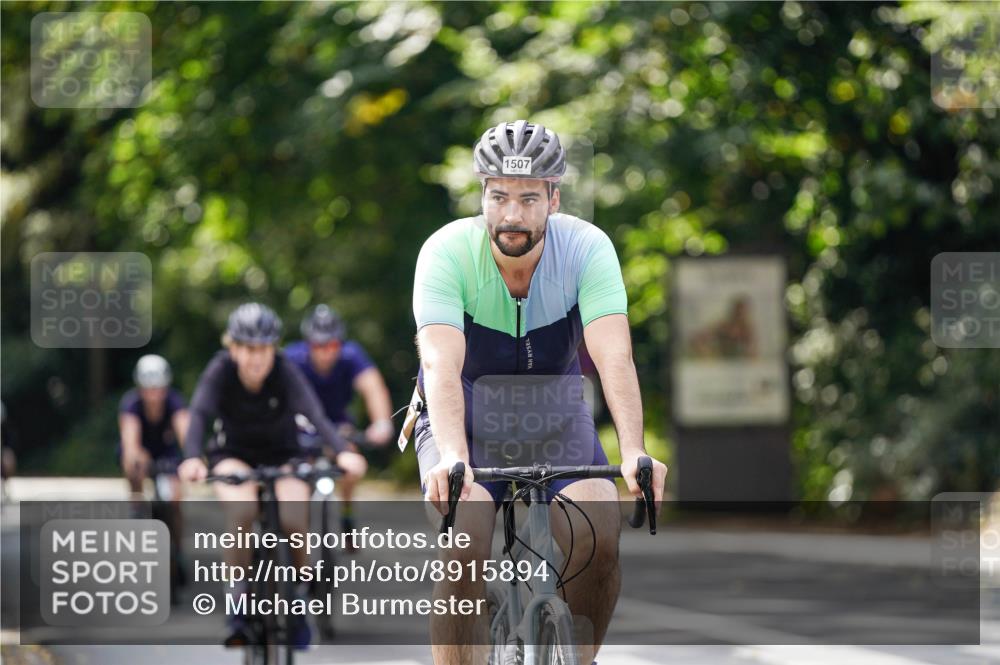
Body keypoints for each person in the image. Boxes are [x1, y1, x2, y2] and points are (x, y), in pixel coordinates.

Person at [409, 120, 668, 665]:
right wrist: (453, 456)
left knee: (599, 534)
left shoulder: (586, 249)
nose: (511, 214)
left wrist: (634, 450)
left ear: (554, 197)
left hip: (555, 420)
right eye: (499, 195)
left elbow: (613, 354)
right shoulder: (446, 252)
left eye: (528, 198)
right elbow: (439, 359)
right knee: (466, 541)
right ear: (482, 193)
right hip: (467, 424)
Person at [177, 303, 367, 650]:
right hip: (233, 456)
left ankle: (298, 598)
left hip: (284, 456)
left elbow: (314, 413)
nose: (257, 358)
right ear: (233, 347)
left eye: (264, 348)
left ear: (273, 348)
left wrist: (341, 451)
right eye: (248, 349)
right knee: (242, 511)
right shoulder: (220, 370)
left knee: (295, 515)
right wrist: (192, 458)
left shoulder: (284, 370)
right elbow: (200, 413)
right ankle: (238, 604)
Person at [285, 305, 394, 548]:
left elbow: (373, 387)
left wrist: (381, 423)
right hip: (301, 425)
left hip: (338, 425)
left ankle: (346, 511)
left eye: (332, 345)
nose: (325, 353)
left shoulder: (351, 355)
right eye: (318, 346)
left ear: (340, 344)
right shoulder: (292, 357)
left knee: (350, 463)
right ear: (308, 344)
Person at [118, 355, 189, 503]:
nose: (154, 396)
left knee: (175, 499)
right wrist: (137, 457)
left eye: (158, 389)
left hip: (166, 452)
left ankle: (175, 523)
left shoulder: (175, 400)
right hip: (141, 451)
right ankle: (137, 506)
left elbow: (185, 433)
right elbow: (130, 442)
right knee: (133, 466)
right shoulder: (131, 403)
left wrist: (191, 457)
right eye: (149, 389)